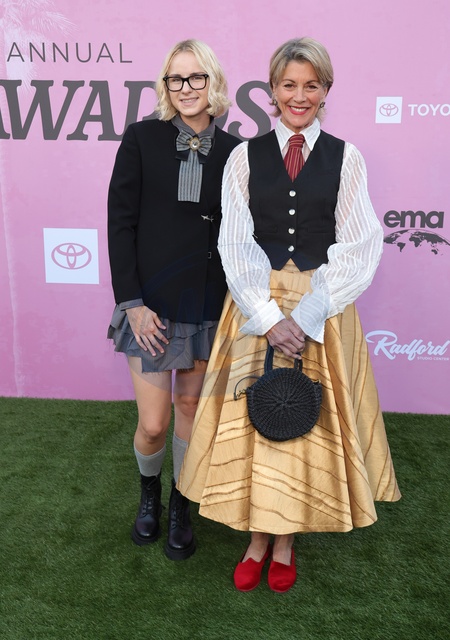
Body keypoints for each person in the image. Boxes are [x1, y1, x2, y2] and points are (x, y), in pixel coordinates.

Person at [178, 37, 401, 590]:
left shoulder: (347, 157)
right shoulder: (243, 157)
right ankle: (257, 538)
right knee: (259, 417)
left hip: (324, 303)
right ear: (272, 91)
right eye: (288, 85)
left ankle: (285, 541)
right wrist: (268, 315)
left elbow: (360, 243)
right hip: (257, 303)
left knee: (304, 420)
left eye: (311, 85)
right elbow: (235, 242)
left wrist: (308, 315)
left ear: (326, 90)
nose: (299, 96)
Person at [107, 39, 240, 560]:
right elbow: (120, 223)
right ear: (165, 86)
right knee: (153, 423)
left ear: (214, 82)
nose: (186, 88)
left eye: (196, 77)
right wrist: (132, 302)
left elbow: (241, 233)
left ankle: (182, 505)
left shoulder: (235, 151)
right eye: (176, 78)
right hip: (151, 306)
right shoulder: (141, 138)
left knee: (189, 407)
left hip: (206, 302)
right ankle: (150, 496)